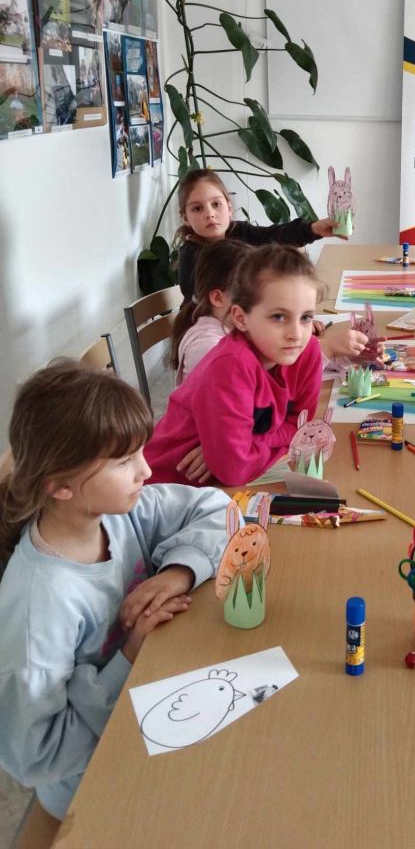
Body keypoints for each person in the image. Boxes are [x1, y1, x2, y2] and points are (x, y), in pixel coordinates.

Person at [0, 361, 230, 822]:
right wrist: (128, 654)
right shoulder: (39, 606)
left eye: (139, 452)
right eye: (124, 461)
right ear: (60, 485)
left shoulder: (115, 512)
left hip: (148, 700)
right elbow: (35, 756)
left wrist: (179, 572)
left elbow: (218, 508)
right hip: (91, 780)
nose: (146, 469)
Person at [146, 244, 324, 486]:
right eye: (279, 317)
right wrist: (246, 449)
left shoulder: (307, 351)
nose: (296, 334)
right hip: (170, 486)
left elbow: (301, 428)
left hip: (221, 483)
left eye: (306, 317)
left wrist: (250, 444)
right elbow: (234, 471)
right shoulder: (230, 366)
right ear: (241, 318)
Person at [176, 168, 337, 304]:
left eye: (216, 204)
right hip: (206, 328)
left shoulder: (240, 231)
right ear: (185, 218)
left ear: (229, 208)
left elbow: (273, 236)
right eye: (197, 208)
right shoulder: (192, 256)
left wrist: (313, 229)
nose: (209, 214)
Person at [171, 238, 251, 384]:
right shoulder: (208, 347)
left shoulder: (232, 327)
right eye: (249, 294)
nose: (259, 301)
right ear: (217, 298)